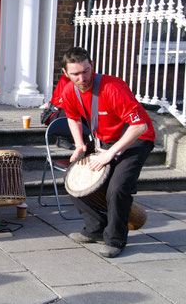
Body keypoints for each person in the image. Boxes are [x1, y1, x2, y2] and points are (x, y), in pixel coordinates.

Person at [60, 47, 155, 258]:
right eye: (75, 74)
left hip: (136, 139)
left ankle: (115, 239)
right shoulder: (69, 90)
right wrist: (78, 145)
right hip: (105, 142)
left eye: (86, 71)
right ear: (66, 74)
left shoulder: (113, 87)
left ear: (91, 65)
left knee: (118, 188)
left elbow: (139, 126)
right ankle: (95, 229)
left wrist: (110, 153)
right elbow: (73, 117)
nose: (82, 78)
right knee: (73, 181)